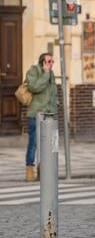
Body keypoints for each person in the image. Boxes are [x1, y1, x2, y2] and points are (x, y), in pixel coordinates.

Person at [24, 53, 57, 182]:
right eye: (49, 61)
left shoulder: (51, 73)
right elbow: (34, 87)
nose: (51, 64)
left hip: (49, 115)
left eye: (52, 61)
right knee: (33, 143)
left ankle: (43, 171)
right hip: (36, 114)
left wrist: (54, 111)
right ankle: (29, 170)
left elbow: (53, 95)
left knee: (48, 144)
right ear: (42, 62)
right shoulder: (34, 71)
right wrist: (45, 73)